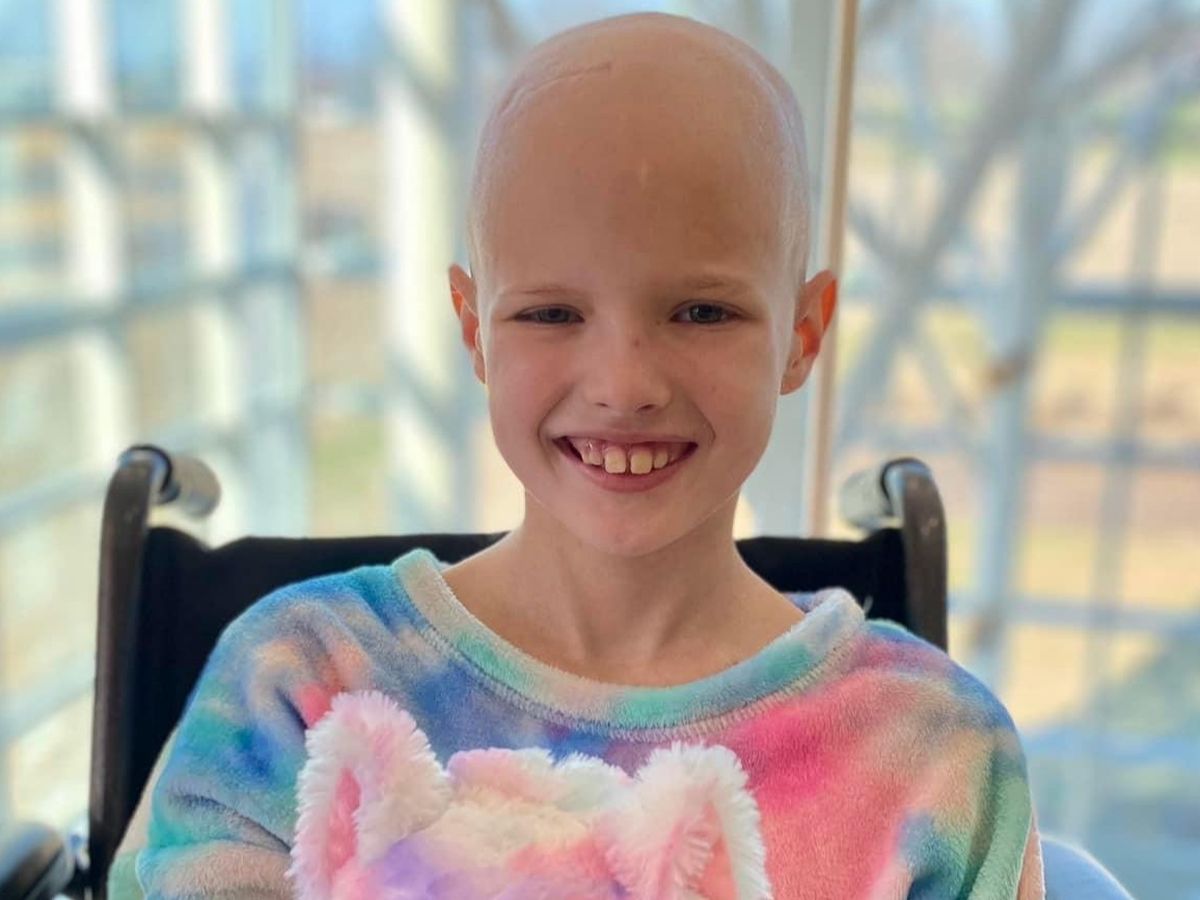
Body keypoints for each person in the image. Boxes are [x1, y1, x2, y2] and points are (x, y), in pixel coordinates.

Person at [110, 11, 1045, 898]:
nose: (623, 384)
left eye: (702, 311)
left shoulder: (933, 753)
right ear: (474, 329)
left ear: (802, 334)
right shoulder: (295, 685)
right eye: (552, 313)